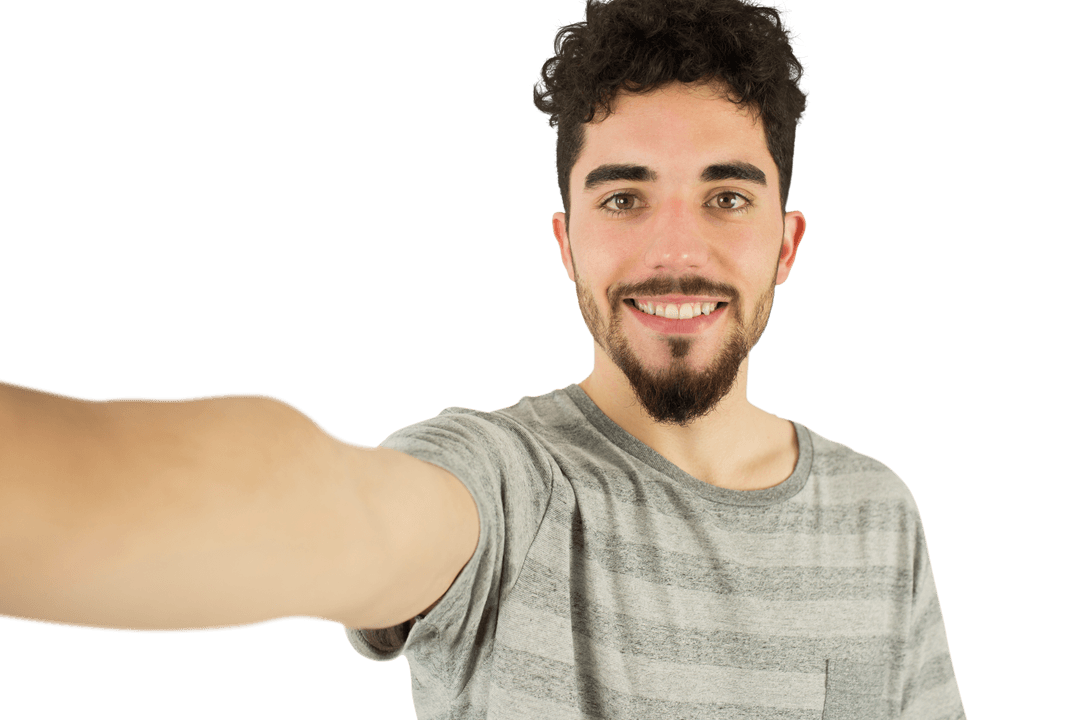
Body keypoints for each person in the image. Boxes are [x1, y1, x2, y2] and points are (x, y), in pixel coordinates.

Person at [1, 1, 965, 718]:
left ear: (787, 245)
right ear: (567, 244)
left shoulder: (877, 514)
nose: (677, 250)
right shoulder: (509, 489)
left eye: (727, 197)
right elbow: (311, 498)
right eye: (624, 198)